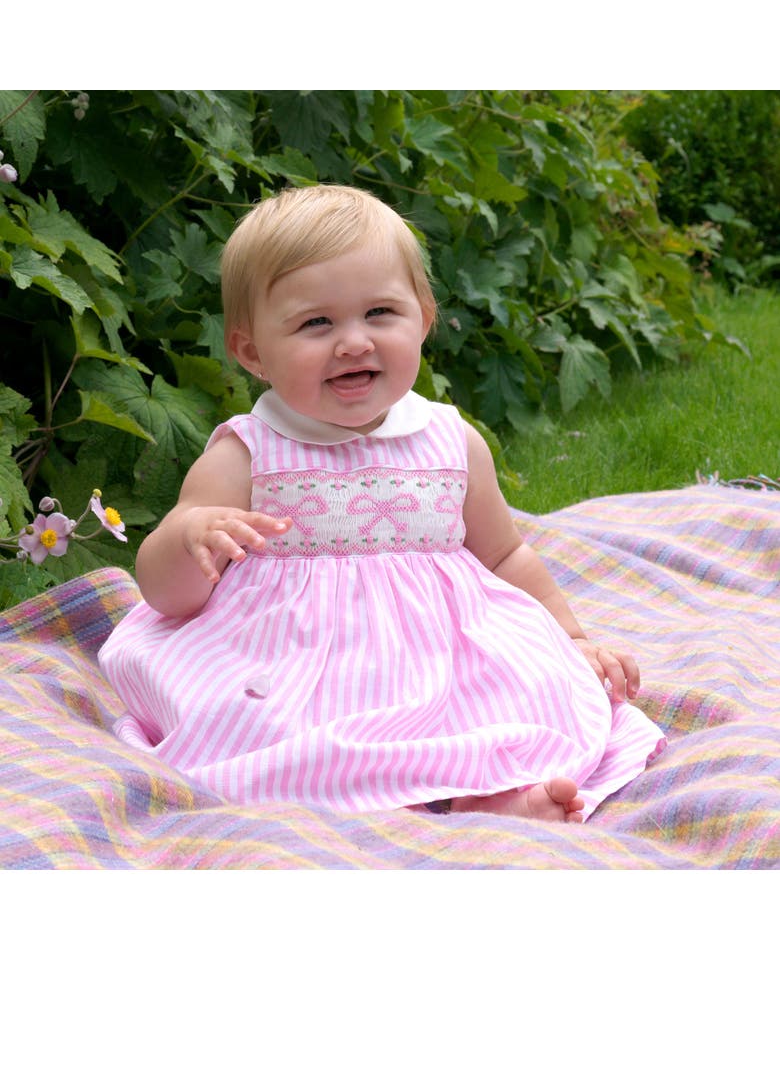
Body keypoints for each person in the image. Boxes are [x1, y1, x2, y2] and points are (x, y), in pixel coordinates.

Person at [98, 184, 665, 822]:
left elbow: (504, 556)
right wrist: (190, 536)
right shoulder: (248, 455)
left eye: (380, 314)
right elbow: (167, 595)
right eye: (317, 322)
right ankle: (418, 796)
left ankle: (493, 790)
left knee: (523, 695)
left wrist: (572, 638)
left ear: (422, 317)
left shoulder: (452, 441)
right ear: (252, 351)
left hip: (440, 657)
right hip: (296, 661)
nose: (353, 342)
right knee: (277, 736)